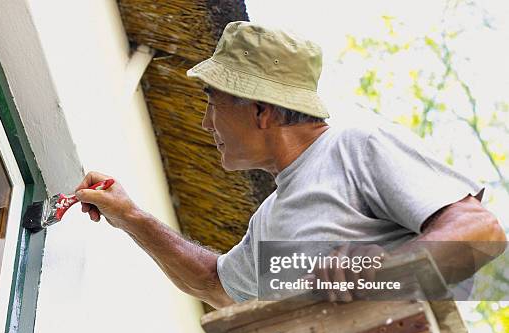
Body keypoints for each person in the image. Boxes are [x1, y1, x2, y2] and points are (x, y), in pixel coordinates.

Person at [74, 21, 506, 309]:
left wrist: (383, 271)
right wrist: (130, 216)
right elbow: (213, 283)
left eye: (212, 102)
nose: (205, 123)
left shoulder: (356, 144)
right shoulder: (268, 218)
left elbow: (480, 232)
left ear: (261, 110)